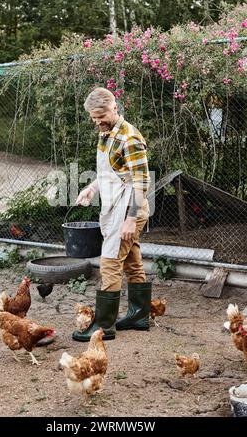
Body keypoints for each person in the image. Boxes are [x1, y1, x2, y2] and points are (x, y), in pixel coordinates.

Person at [72, 87, 151, 342]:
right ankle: (139, 315)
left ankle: (104, 326)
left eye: (101, 115)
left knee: (110, 260)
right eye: (93, 117)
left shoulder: (130, 138)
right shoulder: (106, 134)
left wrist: (131, 218)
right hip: (114, 206)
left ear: (114, 107)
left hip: (128, 209)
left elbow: (141, 182)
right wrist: (91, 188)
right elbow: (111, 173)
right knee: (131, 260)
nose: (97, 121)